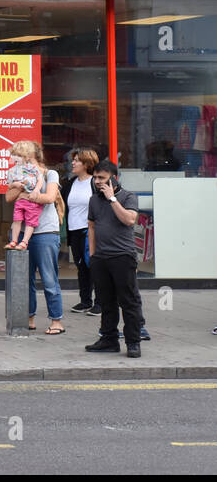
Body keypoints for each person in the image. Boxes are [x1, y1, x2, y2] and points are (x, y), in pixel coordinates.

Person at [84, 161, 145, 358]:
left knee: (129, 301)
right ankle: (109, 339)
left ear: (113, 178)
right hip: (101, 258)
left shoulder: (128, 197)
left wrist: (112, 199)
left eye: (102, 178)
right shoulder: (94, 200)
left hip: (122, 256)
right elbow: (91, 227)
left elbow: (129, 219)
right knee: (106, 302)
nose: (97, 182)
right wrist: (93, 256)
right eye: (95, 178)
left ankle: (133, 342)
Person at [5, 143, 64, 334]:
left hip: (45, 232)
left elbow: (49, 198)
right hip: (22, 232)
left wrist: (25, 195)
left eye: (19, 155)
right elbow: (9, 197)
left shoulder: (49, 174)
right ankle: (28, 317)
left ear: (30, 155)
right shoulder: (17, 173)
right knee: (25, 278)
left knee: (48, 277)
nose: (16, 159)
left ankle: (56, 321)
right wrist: (21, 188)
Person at [62, 148, 99, 314]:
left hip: (90, 231)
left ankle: (100, 302)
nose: (73, 163)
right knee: (81, 266)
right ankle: (85, 301)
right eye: (73, 160)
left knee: (95, 267)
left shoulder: (95, 183)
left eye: (77, 160)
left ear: (87, 164)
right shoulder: (70, 183)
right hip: (74, 230)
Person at [4, 140, 45, 250]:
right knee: (17, 219)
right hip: (19, 201)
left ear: (27, 157)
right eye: (14, 155)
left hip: (32, 200)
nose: (16, 158)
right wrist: (14, 184)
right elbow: (8, 186)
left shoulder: (32, 168)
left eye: (19, 155)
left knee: (30, 221)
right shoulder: (12, 171)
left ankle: (24, 241)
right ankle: (14, 240)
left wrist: (36, 190)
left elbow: (40, 180)